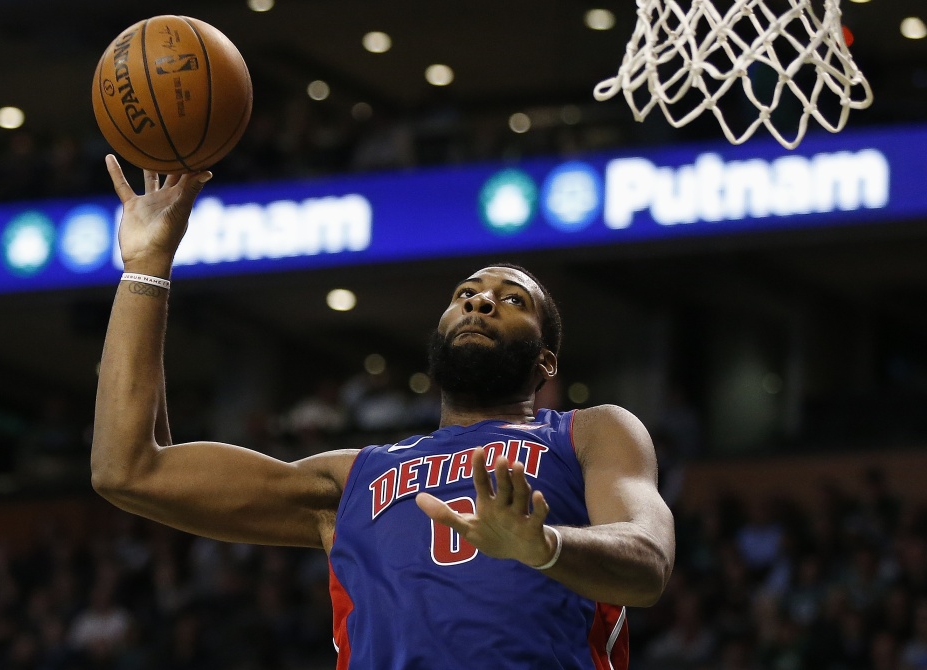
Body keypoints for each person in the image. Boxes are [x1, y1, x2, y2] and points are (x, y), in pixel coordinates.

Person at [91, 155, 676, 669]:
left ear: (545, 362)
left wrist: (542, 546)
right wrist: (147, 263)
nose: (480, 299)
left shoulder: (590, 432)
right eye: (465, 295)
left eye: (512, 299)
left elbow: (648, 563)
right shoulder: (350, 478)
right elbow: (129, 470)